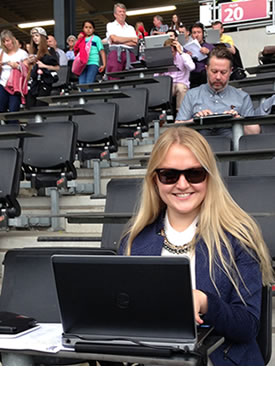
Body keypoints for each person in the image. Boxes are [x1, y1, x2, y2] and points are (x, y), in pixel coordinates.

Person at [118, 126, 274, 365]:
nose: (182, 184)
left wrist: (204, 302)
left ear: (209, 177)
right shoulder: (134, 240)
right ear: (155, 180)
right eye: (169, 175)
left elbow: (248, 326)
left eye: (194, 174)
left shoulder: (238, 237)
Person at [176, 46, 260, 137]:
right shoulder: (191, 95)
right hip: (199, 148)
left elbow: (254, 133)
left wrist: (238, 119)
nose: (218, 77)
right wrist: (195, 120)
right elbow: (177, 129)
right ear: (206, 69)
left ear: (230, 71)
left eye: (223, 72)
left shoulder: (242, 97)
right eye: (214, 71)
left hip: (233, 148)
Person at [26, 27, 60, 108]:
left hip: (44, 81)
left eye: (37, 36)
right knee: (30, 106)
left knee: (40, 105)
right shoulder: (33, 51)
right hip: (33, 82)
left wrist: (44, 66)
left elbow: (57, 67)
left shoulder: (50, 50)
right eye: (33, 36)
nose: (35, 38)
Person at [161, 38, 195, 113]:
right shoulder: (163, 59)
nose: (170, 54)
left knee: (180, 88)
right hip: (169, 85)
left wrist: (181, 53)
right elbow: (156, 75)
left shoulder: (184, 56)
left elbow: (192, 67)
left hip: (182, 83)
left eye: (172, 52)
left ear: (176, 50)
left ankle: (181, 113)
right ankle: (164, 113)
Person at [106, 3, 137, 79]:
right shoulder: (110, 25)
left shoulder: (131, 28)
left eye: (124, 12)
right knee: (114, 77)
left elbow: (135, 42)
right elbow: (114, 39)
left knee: (132, 77)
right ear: (115, 14)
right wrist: (130, 39)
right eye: (120, 12)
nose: (122, 14)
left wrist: (118, 40)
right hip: (115, 53)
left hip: (129, 54)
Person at [0, 30, 28, 113]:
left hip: (16, 86)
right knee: (1, 109)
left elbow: (27, 70)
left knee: (13, 110)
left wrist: (18, 66)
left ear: (12, 39)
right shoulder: (1, 53)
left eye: (7, 40)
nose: (6, 43)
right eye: (4, 41)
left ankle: (13, 125)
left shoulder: (22, 53)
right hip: (2, 84)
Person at [74, 20, 106, 85]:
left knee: (89, 83)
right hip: (82, 64)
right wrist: (78, 39)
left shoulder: (96, 38)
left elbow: (102, 52)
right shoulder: (81, 39)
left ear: (93, 29)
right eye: (86, 27)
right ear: (83, 29)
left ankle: (89, 95)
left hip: (93, 63)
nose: (88, 29)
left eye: (90, 27)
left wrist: (104, 64)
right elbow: (76, 49)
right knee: (81, 84)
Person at [187, 22, 215, 88]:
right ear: (191, 35)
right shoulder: (186, 49)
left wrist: (209, 52)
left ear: (203, 34)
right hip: (192, 75)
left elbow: (217, 59)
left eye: (199, 32)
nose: (197, 35)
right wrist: (186, 57)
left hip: (205, 75)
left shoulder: (210, 47)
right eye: (194, 33)